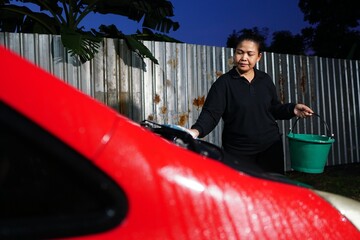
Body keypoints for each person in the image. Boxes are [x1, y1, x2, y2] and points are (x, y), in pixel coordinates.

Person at [188, 33, 313, 174]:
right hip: (238, 152)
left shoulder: (265, 80)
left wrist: (293, 109)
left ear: (258, 57)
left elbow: (274, 109)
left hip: (270, 148)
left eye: (250, 54)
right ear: (234, 53)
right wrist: (196, 131)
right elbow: (211, 114)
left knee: (271, 192)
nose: (244, 58)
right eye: (240, 53)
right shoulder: (224, 83)